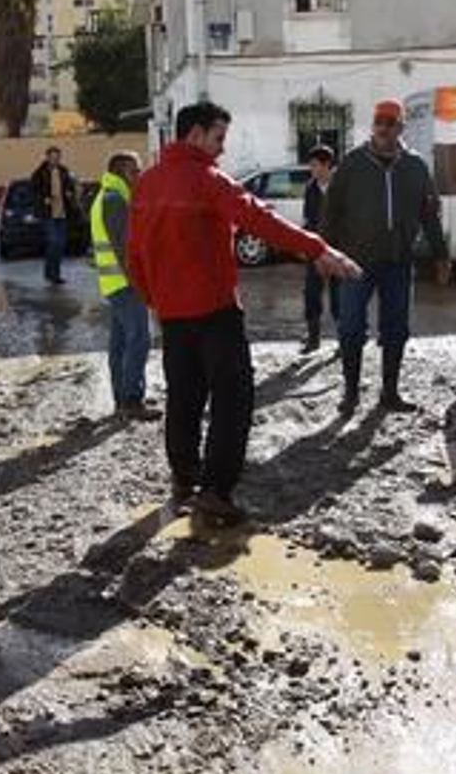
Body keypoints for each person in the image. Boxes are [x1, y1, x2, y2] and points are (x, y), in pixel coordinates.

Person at [129, 102, 362, 527]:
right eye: (218, 138)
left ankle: (184, 480)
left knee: (183, 398)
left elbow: (135, 256)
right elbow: (258, 219)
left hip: (173, 317)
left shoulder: (146, 185)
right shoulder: (208, 181)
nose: (221, 149)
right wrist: (319, 250)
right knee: (233, 399)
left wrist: (156, 301)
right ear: (195, 135)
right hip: (216, 312)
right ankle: (215, 491)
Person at [323, 98, 451, 415]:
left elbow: (430, 214)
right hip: (355, 262)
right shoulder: (351, 164)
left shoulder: (416, 166)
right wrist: (323, 253)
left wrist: (441, 256)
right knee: (351, 328)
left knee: (396, 328)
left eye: (389, 123)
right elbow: (330, 213)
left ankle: (389, 393)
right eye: (378, 121)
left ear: (400, 128)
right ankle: (351, 393)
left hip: (398, 261)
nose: (382, 128)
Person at [91, 150, 159, 422]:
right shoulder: (114, 200)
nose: (139, 176)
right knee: (139, 340)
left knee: (120, 344)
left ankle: (122, 398)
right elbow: (125, 251)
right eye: (135, 171)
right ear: (120, 172)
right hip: (126, 285)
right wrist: (142, 284)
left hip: (115, 284)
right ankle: (132, 400)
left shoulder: (107, 197)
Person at [300, 145, 339, 354]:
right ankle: (313, 338)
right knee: (311, 293)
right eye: (311, 165)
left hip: (339, 250)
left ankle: (345, 339)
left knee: (339, 296)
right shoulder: (310, 188)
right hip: (315, 250)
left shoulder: (341, 186)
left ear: (326, 165)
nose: (312, 169)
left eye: (315, 165)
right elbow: (308, 219)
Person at [30, 146, 79, 285]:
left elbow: (70, 186)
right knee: (53, 242)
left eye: (57, 157)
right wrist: (43, 199)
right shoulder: (39, 173)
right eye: (52, 157)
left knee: (60, 244)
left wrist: (70, 193)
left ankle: (55, 274)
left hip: (62, 212)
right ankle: (50, 274)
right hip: (48, 214)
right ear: (47, 157)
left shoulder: (64, 171)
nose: (55, 159)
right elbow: (33, 191)